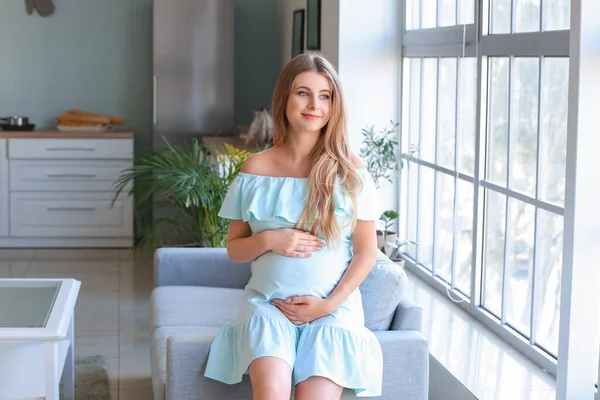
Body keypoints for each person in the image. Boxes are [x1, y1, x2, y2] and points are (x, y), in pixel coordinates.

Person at [204, 52, 383, 400]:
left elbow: (366, 252)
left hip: (333, 312)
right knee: (270, 393)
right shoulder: (256, 169)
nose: (314, 104)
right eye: (303, 92)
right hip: (269, 308)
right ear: (284, 98)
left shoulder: (350, 172)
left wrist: (328, 306)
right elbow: (235, 249)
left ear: (334, 104)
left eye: (325, 95)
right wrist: (271, 239)